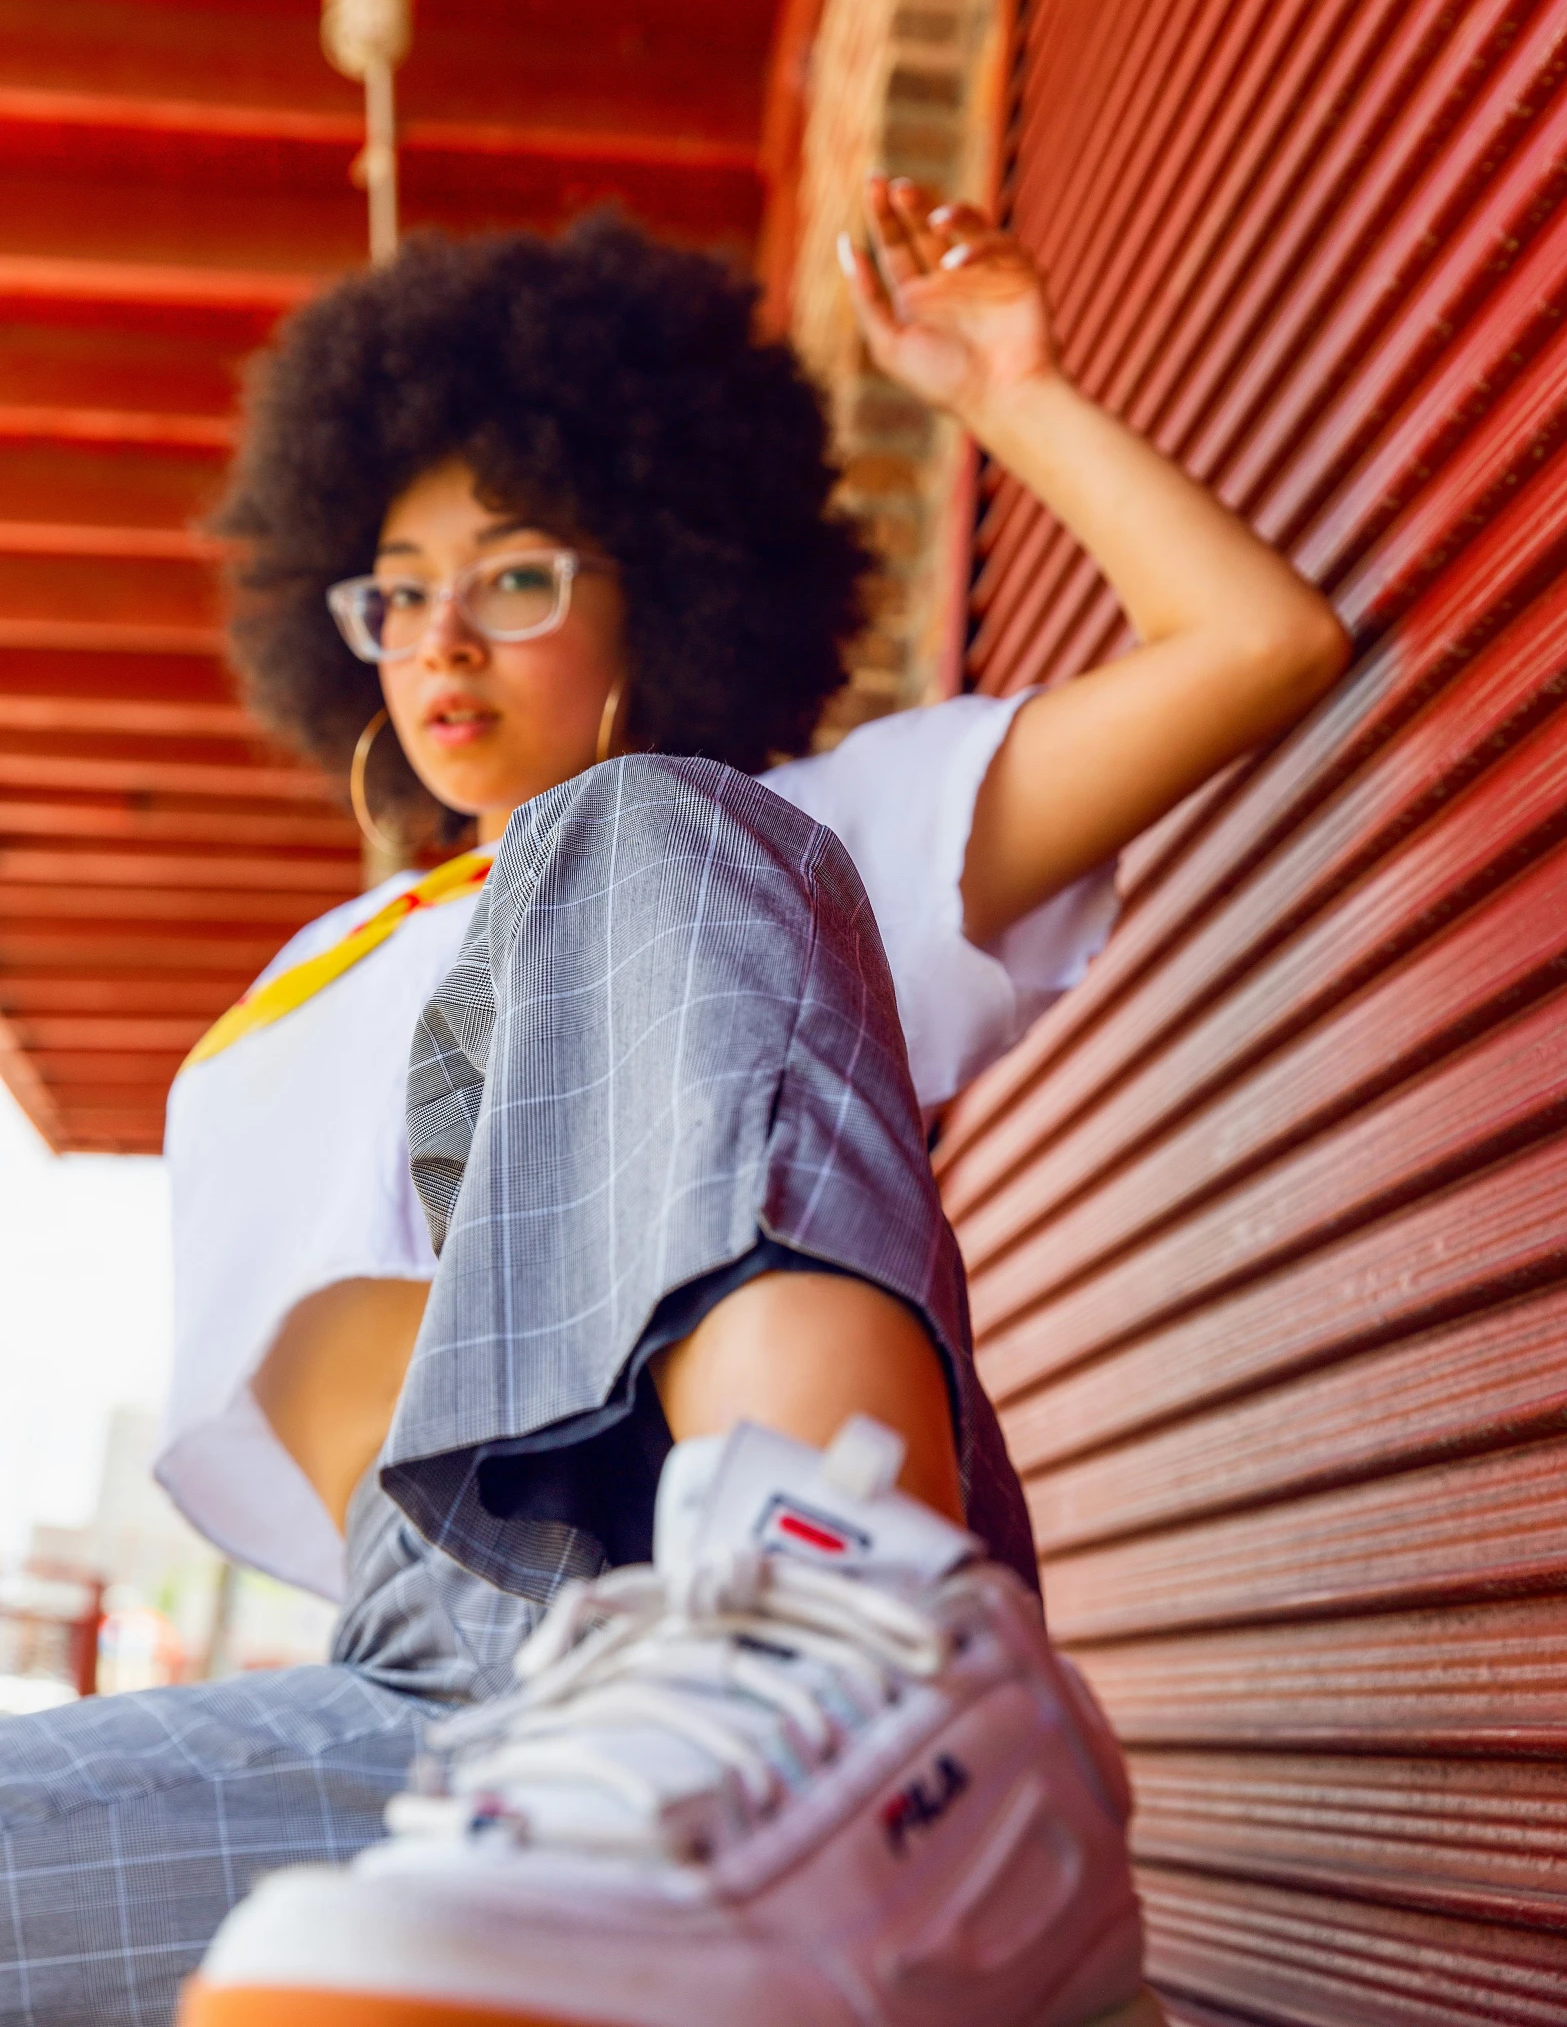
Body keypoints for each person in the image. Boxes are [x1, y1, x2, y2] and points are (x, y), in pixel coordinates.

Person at [0, 179, 1346, 2027]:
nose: (445, 639)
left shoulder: (775, 833)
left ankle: (876, 1695)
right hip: (435, 1708)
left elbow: (1253, 647)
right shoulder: (302, 975)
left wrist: (1011, 389)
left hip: (726, 1601)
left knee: (621, 829)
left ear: (668, 578)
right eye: (400, 592)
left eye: (518, 574)